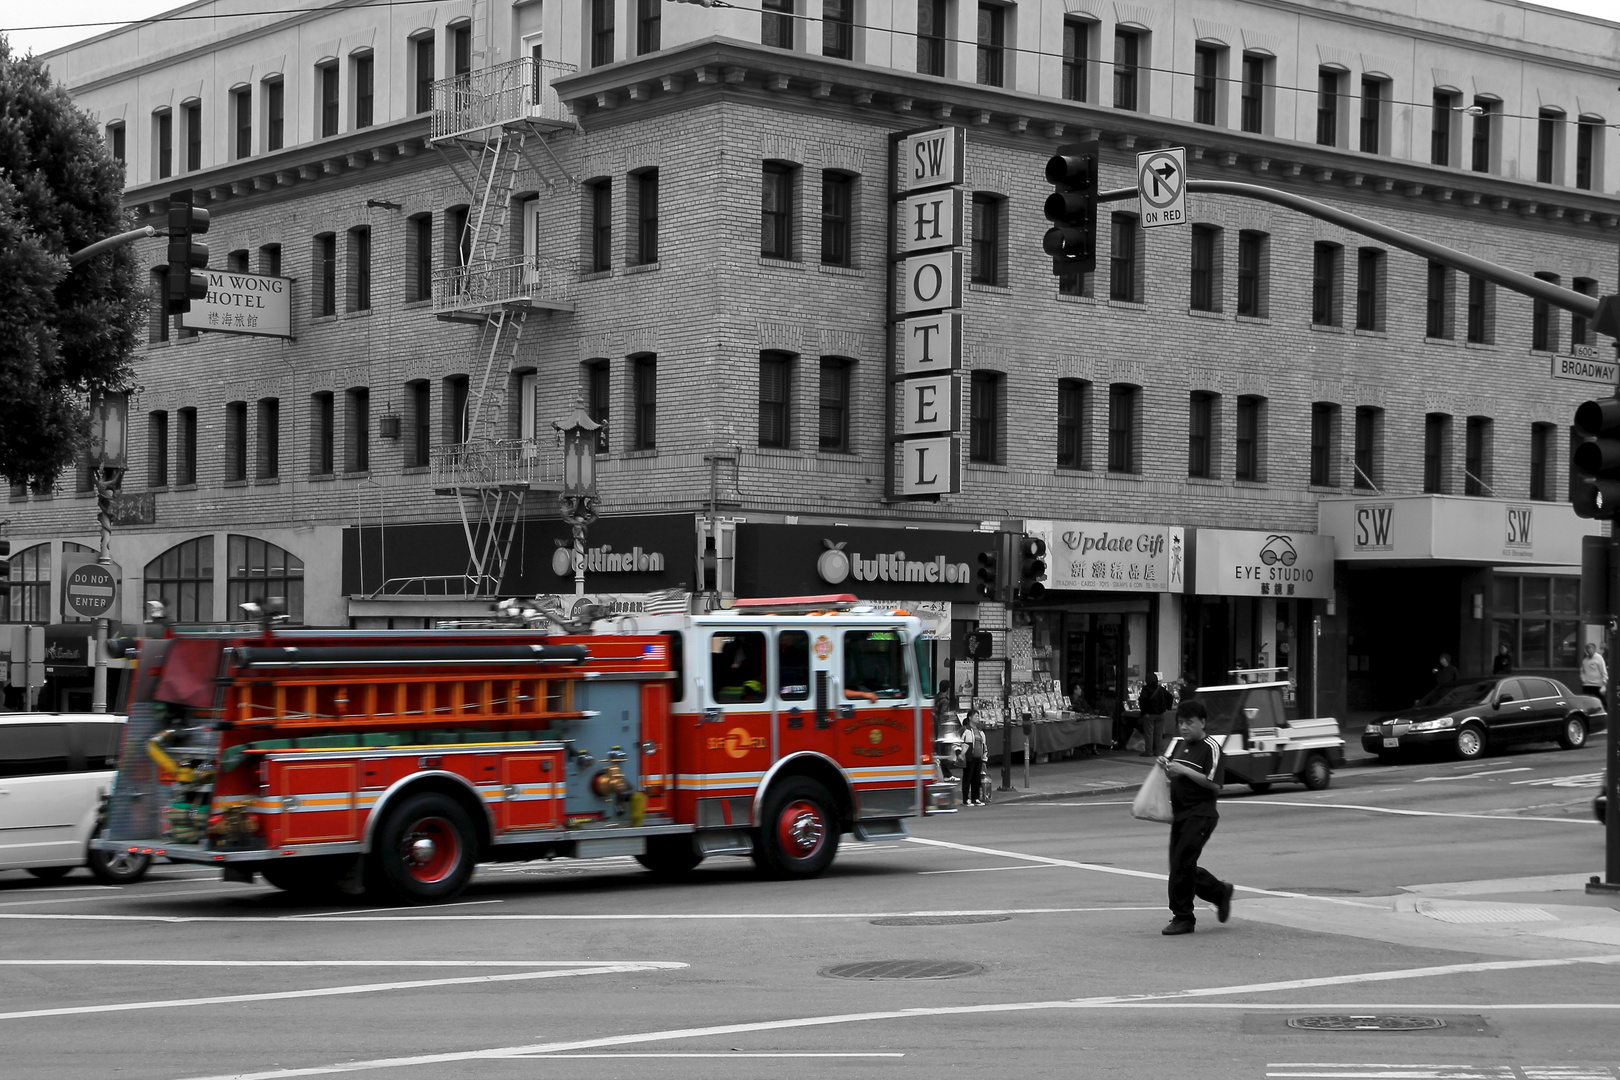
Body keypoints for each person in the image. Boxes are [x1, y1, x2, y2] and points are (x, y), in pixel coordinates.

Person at [1158, 698, 1234, 936]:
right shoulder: (1178, 744)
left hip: (1201, 814)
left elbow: (1214, 783)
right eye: (1180, 722)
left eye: (1189, 722)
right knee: (1180, 865)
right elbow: (1174, 774)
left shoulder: (1211, 747)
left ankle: (1183, 917)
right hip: (1180, 814)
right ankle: (1219, 892)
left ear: (1202, 722)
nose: (1184, 727)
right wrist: (1165, 766)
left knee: (1182, 863)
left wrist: (1184, 770)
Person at [1138, 672, 1173, 758]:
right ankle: (1157, 751)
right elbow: (1170, 697)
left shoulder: (1146, 689)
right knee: (1158, 733)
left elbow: (1143, 701)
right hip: (1160, 713)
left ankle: (1148, 751)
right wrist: (1168, 707)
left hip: (1149, 714)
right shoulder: (1161, 689)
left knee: (1149, 733)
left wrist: (1144, 712)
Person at [961, 716, 988, 806]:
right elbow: (958, 742)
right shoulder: (965, 730)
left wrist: (984, 757)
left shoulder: (980, 731)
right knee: (967, 778)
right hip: (969, 757)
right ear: (970, 718)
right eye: (976, 716)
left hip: (978, 757)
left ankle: (975, 798)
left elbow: (984, 745)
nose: (978, 718)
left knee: (976, 778)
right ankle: (966, 798)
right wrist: (960, 754)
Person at [934, 680, 958, 781]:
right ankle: (947, 775)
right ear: (948, 689)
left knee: (937, 752)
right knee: (944, 752)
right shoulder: (945, 701)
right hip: (941, 730)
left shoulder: (935, 697)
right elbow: (943, 717)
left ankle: (942, 774)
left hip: (933, 728)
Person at [1580, 642, 1608, 707]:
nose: (1587, 650)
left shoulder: (1599, 658)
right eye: (1586, 648)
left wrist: (1604, 685)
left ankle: (1606, 712)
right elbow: (1582, 671)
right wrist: (1583, 679)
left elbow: (1603, 671)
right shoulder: (1585, 660)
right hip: (1587, 685)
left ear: (1594, 649)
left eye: (1589, 648)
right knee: (1586, 700)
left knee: (1601, 701)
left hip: (1597, 685)